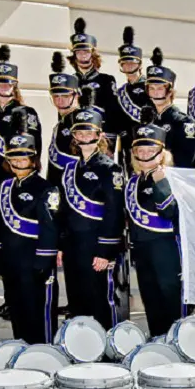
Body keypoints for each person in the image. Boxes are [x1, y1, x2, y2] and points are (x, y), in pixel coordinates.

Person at [59, 88, 127, 330]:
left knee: (100, 302)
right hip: (72, 247)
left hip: (96, 246)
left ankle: (107, 355)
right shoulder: (69, 170)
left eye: (88, 130)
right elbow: (64, 213)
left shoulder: (111, 169)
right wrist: (60, 246)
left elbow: (115, 213)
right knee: (77, 302)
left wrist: (105, 251)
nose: (83, 134)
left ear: (98, 134)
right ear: (74, 136)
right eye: (79, 130)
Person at [0, 44, 41, 320]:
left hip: (21, 190)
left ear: (15, 85)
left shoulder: (25, 113)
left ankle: (24, 299)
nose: (4, 86)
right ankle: (9, 299)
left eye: (8, 82)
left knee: (21, 247)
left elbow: (33, 151)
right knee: (3, 252)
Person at [0, 109, 60, 344]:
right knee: (18, 313)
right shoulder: (3, 189)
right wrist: (0, 257)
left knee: (39, 315)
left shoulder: (46, 188)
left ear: (33, 159)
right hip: (12, 263)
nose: (18, 163)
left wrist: (44, 261)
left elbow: (50, 228)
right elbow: (0, 227)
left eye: (23, 158)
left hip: (35, 263)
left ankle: (44, 354)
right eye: (14, 159)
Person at [124, 107, 183, 337]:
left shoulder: (170, 177)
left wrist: (160, 183)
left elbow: (170, 212)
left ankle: (177, 341)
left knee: (169, 296)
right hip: (142, 249)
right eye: (140, 147)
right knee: (150, 297)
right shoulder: (133, 181)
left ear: (161, 152)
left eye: (150, 148)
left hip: (165, 247)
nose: (144, 152)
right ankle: (158, 339)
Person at [68, 17, 123, 156]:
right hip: (77, 138)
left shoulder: (106, 80)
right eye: (79, 52)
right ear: (74, 55)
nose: (82, 55)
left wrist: (108, 138)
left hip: (101, 136)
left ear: (92, 53)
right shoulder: (70, 81)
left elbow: (113, 112)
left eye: (86, 52)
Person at [145, 47, 195, 168]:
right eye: (152, 88)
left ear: (169, 91)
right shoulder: (149, 119)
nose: (155, 93)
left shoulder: (182, 121)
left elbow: (185, 161)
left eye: (160, 88)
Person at [115, 26, 150, 175]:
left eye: (132, 62)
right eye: (125, 63)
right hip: (127, 143)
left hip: (147, 141)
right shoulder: (121, 92)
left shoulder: (150, 86)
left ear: (139, 64)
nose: (129, 66)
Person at [46, 51, 80, 189]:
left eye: (65, 96)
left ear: (75, 95)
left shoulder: (81, 122)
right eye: (56, 96)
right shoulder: (61, 123)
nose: (60, 101)